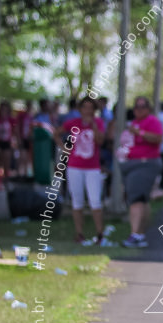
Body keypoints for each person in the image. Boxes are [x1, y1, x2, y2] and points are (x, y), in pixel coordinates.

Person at [56, 96, 106, 245]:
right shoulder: (73, 124)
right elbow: (56, 133)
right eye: (85, 107)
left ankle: (100, 234)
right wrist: (64, 148)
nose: (87, 111)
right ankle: (79, 233)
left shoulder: (99, 123)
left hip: (92, 168)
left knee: (95, 201)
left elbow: (100, 141)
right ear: (80, 109)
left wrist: (94, 126)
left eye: (91, 108)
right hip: (74, 166)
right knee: (77, 201)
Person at [119, 96, 163, 248]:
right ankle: (140, 234)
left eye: (142, 106)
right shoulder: (133, 123)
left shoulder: (152, 121)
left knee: (136, 199)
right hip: (131, 164)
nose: (139, 109)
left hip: (145, 164)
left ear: (148, 109)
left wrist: (140, 133)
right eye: (136, 107)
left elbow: (158, 138)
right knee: (142, 200)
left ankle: (135, 234)